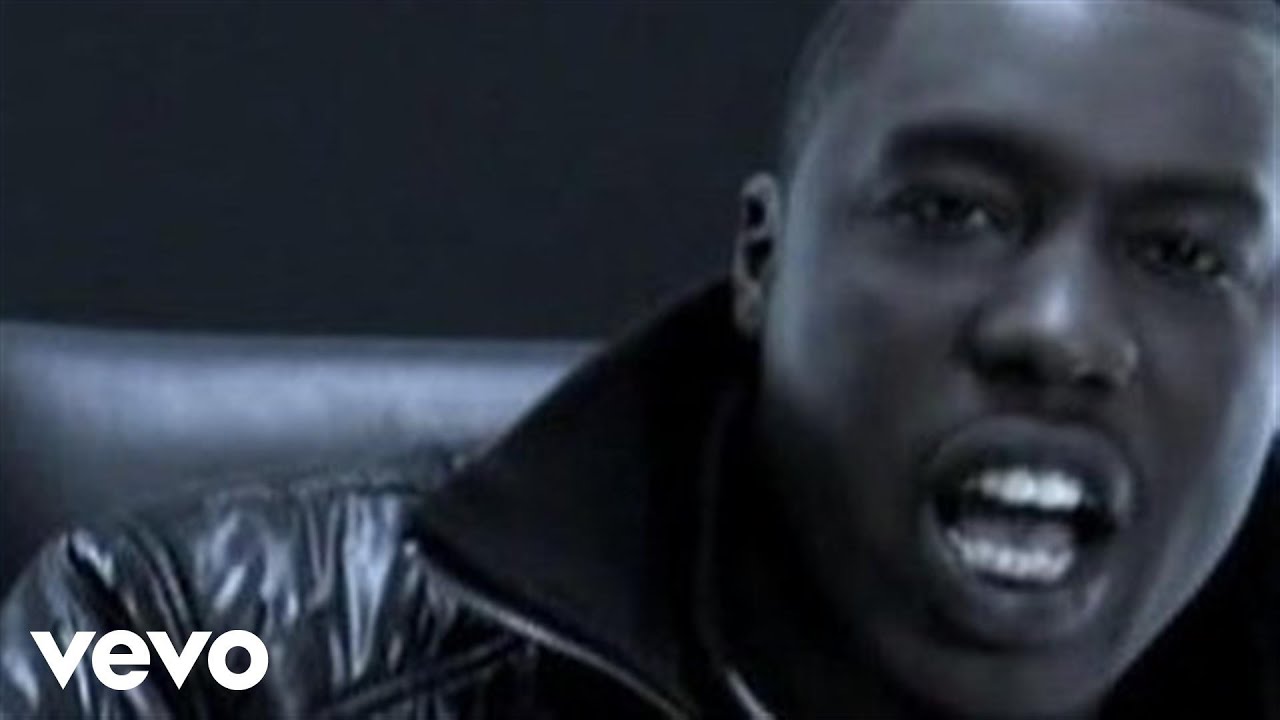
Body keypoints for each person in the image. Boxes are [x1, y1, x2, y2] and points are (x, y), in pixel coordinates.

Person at [2, 0, 1277, 717]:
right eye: (949, 211)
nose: (1056, 330)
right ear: (761, 264)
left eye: (1183, 255)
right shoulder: (172, 634)